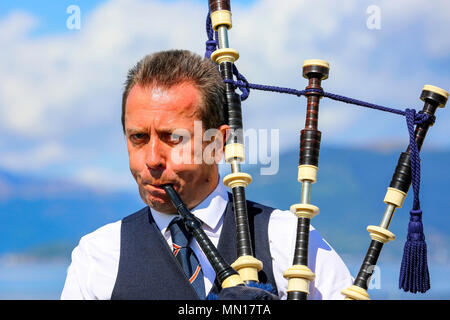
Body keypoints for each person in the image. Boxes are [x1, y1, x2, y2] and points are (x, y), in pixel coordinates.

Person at [61, 49, 353, 300]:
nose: (151, 160)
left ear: (218, 143)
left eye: (173, 138)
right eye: (138, 137)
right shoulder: (98, 255)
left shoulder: (289, 239)